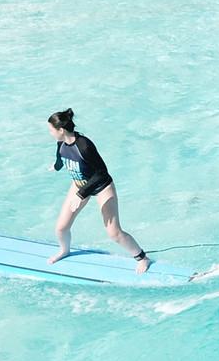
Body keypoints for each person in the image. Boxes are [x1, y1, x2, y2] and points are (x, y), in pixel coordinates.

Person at [45, 109, 151, 273]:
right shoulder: (61, 143)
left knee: (114, 232)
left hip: (102, 187)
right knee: (61, 228)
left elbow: (101, 173)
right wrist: (56, 166)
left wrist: (81, 194)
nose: (50, 133)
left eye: (51, 130)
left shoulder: (85, 146)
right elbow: (61, 158)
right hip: (79, 185)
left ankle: (142, 258)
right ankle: (64, 250)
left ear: (61, 130)